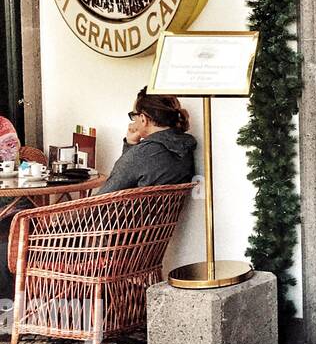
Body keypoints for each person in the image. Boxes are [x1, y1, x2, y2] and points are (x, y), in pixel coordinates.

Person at [1, 89, 196, 300]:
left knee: (9, 248)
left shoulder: (144, 154)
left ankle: (18, 310)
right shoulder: (183, 150)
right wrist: (130, 144)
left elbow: (99, 202)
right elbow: (131, 186)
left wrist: (52, 224)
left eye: (134, 115)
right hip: (138, 247)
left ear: (144, 118)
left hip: (99, 244)